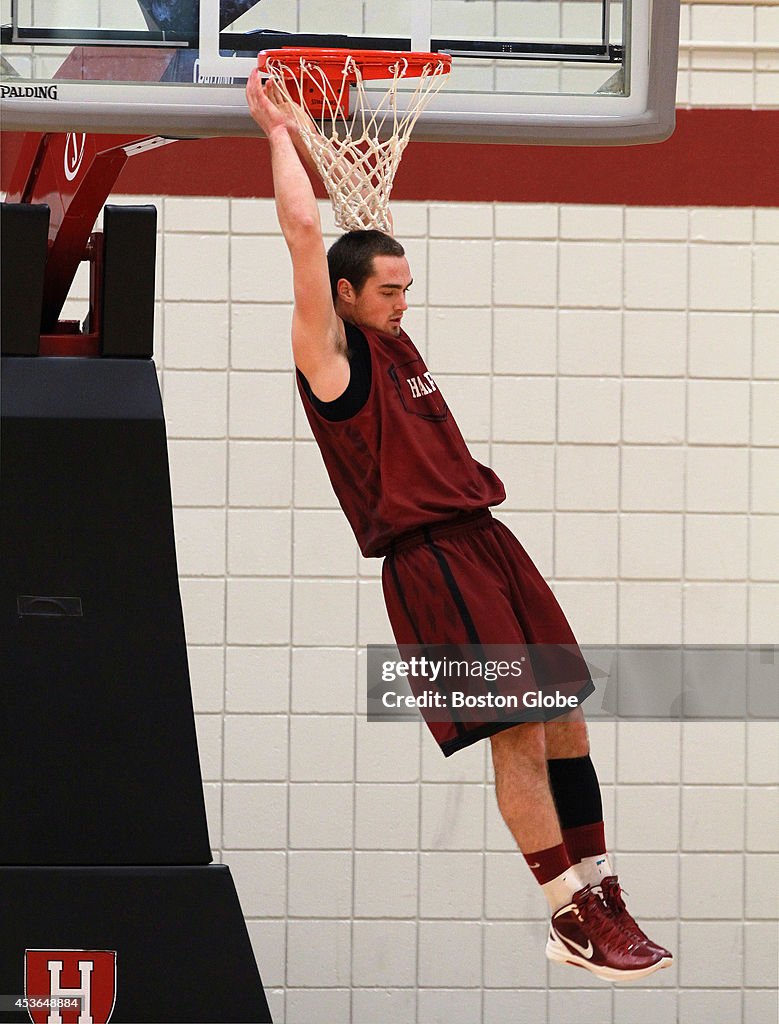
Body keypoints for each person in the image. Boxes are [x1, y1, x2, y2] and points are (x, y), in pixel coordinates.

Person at [246, 69, 672, 982]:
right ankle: (564, 913)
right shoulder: (329, 361)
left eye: (406, 285)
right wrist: (280, 131)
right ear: (345, 296)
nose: (405, 301)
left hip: (487, 542)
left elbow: (353, 213)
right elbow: (306, 232)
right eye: (389, 290)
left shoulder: (393, 334)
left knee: (565, 722)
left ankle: (600, 887)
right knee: (517, 732)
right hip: (430, 562)